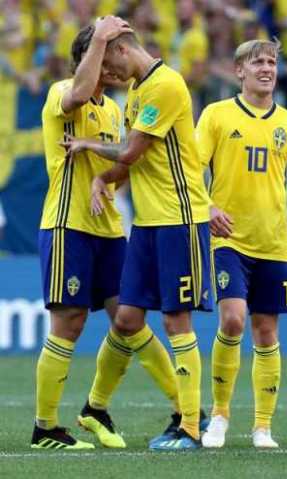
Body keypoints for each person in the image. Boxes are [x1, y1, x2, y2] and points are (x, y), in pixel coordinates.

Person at [63, 25, 221, 451]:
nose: (106, 73)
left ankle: (190, 425)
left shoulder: (165, 86)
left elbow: (131, 151)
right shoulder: (137, 91)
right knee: (128, 318)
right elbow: (135, 163)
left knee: (175, 320)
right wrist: (105, 178)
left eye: (107, 62)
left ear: (121, 48)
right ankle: (95, 407)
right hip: (148, 225)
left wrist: (88, 145)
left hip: (179, 219)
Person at [196, 39, 287, 449]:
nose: (266, 68)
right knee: (232, 319)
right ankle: (218, 415)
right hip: (228, 239)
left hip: (273, 242)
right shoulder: (217, 116)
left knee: (266, 332)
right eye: (258, 62)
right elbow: (194, 168)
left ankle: (263, 427)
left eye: (271, 62)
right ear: (240, 71)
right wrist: (209, 206)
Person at [32, 17, 135, 450]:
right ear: (87, 56)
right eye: (107, 51)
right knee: (68, 323)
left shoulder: (114, 109)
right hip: (67, 225)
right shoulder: (61, 92)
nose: (114, 64)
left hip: (110, 228)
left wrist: (109, 178)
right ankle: (45, 427)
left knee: (129, 321)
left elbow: (126, 165)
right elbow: (78, 92)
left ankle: (95, 407)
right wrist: (100, 36)